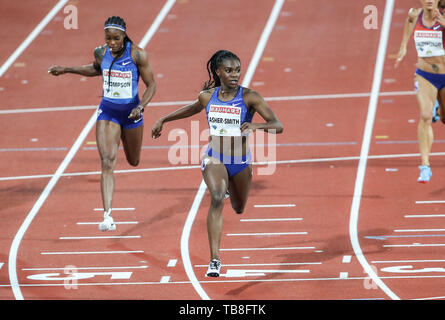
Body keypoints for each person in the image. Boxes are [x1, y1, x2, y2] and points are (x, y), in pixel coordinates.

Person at [151, 50, 283, 277]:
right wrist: (164, 119)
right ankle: (214, 260)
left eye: (238, 70)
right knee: (216, 197)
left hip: (240, 161)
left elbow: (277, 125)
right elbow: (191, 109)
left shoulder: (250, 97)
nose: (235, 75)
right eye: (229, 70)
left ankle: (231, 191)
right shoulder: (207, 96)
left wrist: (255, 126)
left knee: (239, 208)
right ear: (218, 72)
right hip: (215, 157)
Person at [48, 16, 156, 230]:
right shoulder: (101, 52)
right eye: (108, 39)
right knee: (107, 161)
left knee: (134, 160)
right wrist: (68, 69)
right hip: (109, 112)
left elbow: (151, 84)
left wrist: (141, 106)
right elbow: (97, 69)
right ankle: (107, 216)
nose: (112, 43)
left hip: (132, 113)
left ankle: (108, 214)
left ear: (124, 35)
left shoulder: (137, 54)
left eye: (116, 38)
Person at [395, 0, 445, 183]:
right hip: (425, 75)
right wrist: (403, 46)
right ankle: (425, 166)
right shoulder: (415, 15)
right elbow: (409, 22)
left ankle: (438, 109)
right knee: (424, 115)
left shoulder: (443, 15)